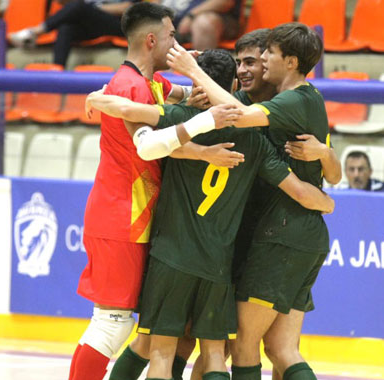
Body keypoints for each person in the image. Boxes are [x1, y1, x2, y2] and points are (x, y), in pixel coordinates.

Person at [66, 4, 243, 380]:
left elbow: (179, 95)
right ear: (152, 40)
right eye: (173, 37)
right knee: (111, 324)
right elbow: (150, 144)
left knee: (126, 327)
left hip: (134, 214)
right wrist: (203, 146)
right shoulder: (129, 85)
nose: (178, 44)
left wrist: (198, 74)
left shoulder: (148, 83)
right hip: (120, 216)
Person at [167, 22, 340, 380]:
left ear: (285, 62)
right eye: (240, 62)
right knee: (279, 348)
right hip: (294, 232)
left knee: (237, 343)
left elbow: (325, 177)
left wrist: (193, 70)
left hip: (279, 234)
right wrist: (179, 94)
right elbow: (332, 178)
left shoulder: (287, 103)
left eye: (260, 57)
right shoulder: (302, 99)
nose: (250, 66)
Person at [9, 0, 138, 67]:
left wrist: (93, 9)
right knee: (66, 28)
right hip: (90, 21)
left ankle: (34, 32)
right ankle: (57, 74)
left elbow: (128, 8)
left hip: (118, 24)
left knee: (79, 7)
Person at [157, 0, 242, 51]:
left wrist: (191, 16)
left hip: (218, 21)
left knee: (204, 22)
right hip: (171, 22)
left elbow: (225, 2)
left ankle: (201, 71)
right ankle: (161, 76)